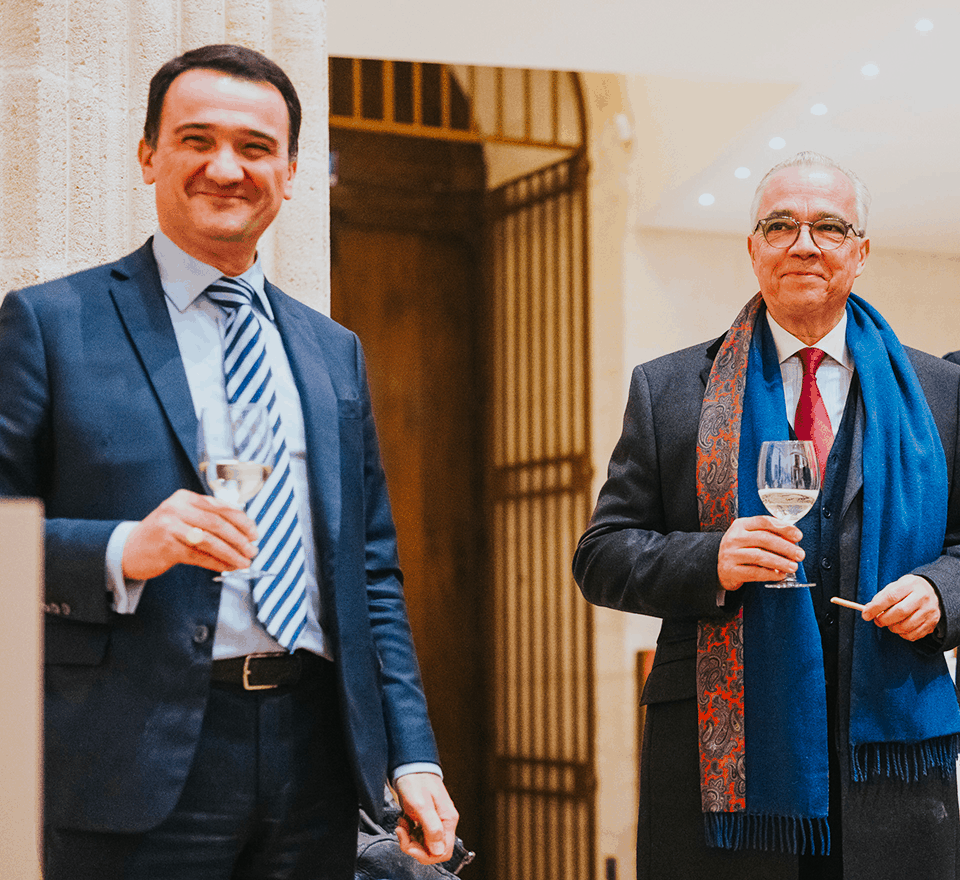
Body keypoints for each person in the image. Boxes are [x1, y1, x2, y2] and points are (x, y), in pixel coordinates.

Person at [0, 43, 457, 880]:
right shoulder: (48, 324)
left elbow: (369, 573)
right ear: (148, 156)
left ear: (289, 174)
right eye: (196, 139)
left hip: (316, 757)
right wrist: (120, 550)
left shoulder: (332, 351)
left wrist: (412, 758)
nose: (226, 167)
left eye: (255, 148)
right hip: (128, 758)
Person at [573, 152, 960, 880]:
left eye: (829, 226)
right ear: (753, 248)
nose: (804, 243)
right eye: (780, 225)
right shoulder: (669, 390)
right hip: (723, 774)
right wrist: (707, 559)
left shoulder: (942, 393)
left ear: (861, 251)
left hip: (889, 772)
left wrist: (942, 591)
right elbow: (601, 555)